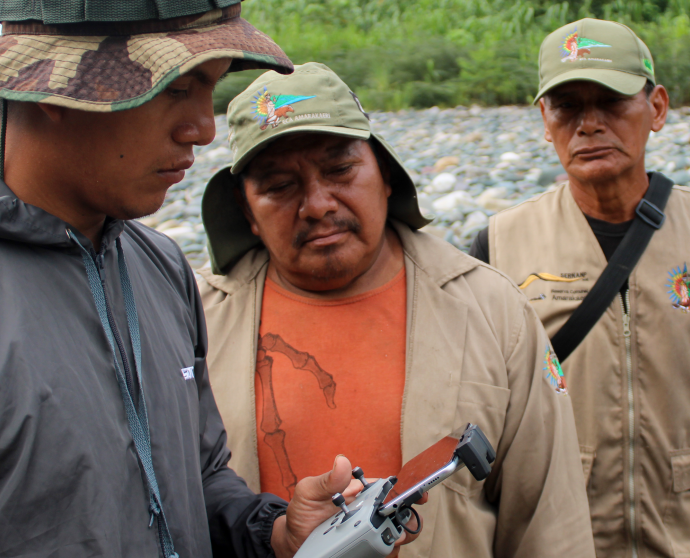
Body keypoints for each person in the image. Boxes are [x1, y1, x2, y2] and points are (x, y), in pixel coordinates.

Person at [0, 0, 412, 556]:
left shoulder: (155, 268)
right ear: (55, 87)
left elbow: (197, 484)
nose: (203, 130)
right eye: (176, 89)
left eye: (211, 88)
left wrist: (277, 532)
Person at [197, 62, 597, 558]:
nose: (317, 204)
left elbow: (549, 519)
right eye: (279, 186)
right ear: (245, 212)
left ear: (384, 174)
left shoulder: (492, 310)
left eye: (340, 169)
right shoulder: (195, 321)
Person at [468, 18, 690, 558]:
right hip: (560, 544)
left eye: (611, 101)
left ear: (657, 108)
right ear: (544, 121)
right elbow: (475, 420)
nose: (589, 124)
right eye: (567, 107)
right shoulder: (500, 246)